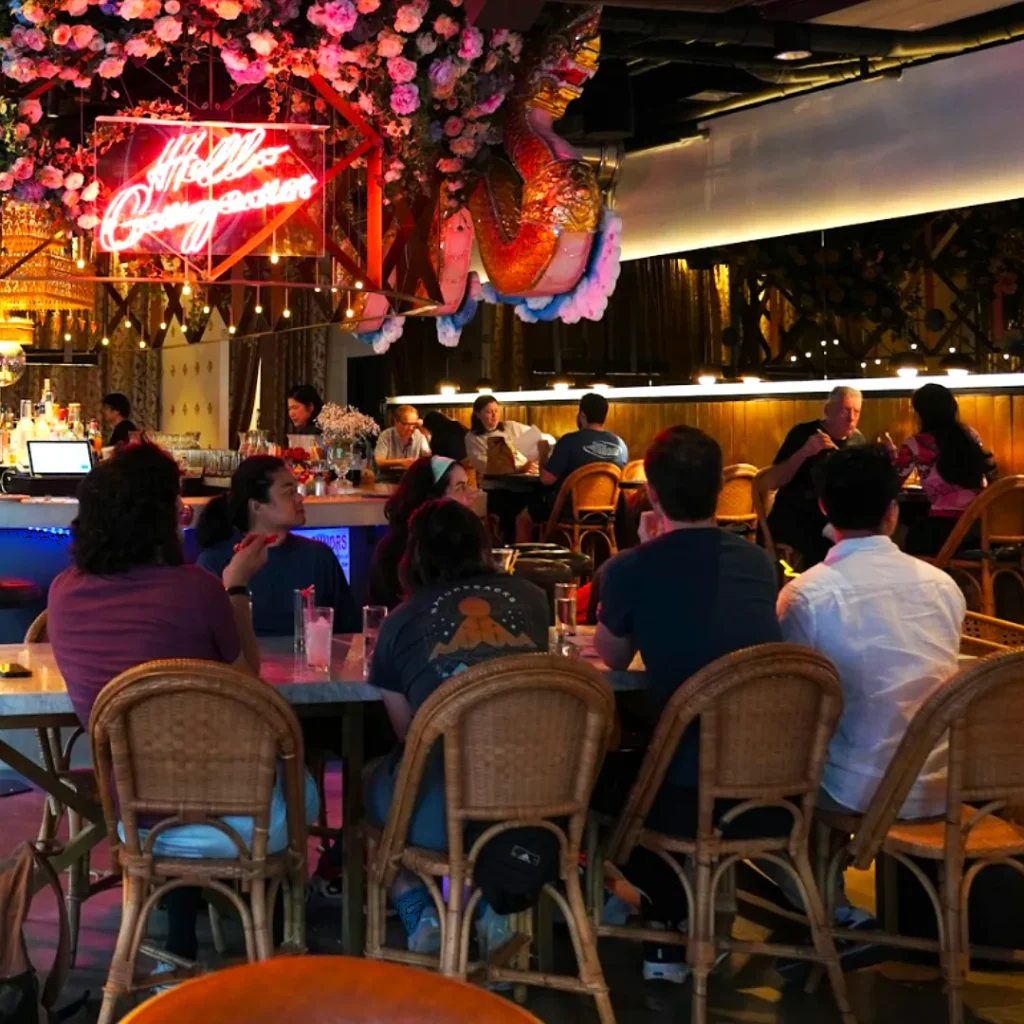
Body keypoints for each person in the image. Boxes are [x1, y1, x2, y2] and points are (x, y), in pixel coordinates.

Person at [47, 442, 317, 967]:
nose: (185, 511)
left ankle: (177, 947)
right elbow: (250, 693)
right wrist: (235, 587)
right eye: (176, 502)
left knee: (177, 767)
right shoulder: (198, 589)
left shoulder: (62, 593)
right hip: (243, 823)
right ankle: (280, 926)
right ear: (159, 516)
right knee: (293, 771)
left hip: (136, 822)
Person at [594, 425, 782, 982]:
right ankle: (671, 921)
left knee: (594, 774)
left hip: (683, 796)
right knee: (658, 754)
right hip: (776, 787)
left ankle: (658, 919)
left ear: (651, 495)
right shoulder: (760, 564)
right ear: (720, 489)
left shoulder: (630, 569)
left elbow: (610, 657)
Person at [365, 499, 550, 953]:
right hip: (535, 799)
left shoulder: (399, 623)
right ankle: (492, 910)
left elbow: (410, 734)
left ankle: (417, 915)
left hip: (441, 817)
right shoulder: (534, 599)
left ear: (414, 556)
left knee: (370, 801)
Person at [779, 444, 966, 818]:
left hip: (856, 789)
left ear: (824, 509)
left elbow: (795, 709)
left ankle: (812, 875)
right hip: (945, 785)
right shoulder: (944, 586)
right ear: (892, 513)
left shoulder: (805, 596)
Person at [196, 455, 360, 635]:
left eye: (297, 490)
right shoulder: (217, 562)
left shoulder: (319, 556)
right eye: (289, 492)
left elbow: (349, 632)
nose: (299, 498)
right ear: (257, 506)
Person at [764, 385, 865, 568]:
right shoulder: (804, 434)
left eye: (856, 412)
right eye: (844, 410)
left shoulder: (857, 441)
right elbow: (772, 481)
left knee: (864, 543)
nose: (851, 418)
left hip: (836, 517)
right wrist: (805, 452)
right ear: (827, 410)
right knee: (834, 548)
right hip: (796, 517)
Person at [890, 383, 996, 556]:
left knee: (902, 524)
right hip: (979, 526)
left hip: (944, 531)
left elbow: (892, 482)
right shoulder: (970, 435)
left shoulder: (916, 443)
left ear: (920, 413)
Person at [369, 455, 478, 609]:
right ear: (433, 498)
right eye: (460, 487)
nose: (471, 495)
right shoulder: (393, 551)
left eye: (468, 485)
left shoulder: (470, 540)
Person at [517, 392, 628, 541]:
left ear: (582, 415)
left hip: (568, 509)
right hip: (607, 512)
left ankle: (525, 562)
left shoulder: (569, 441)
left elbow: (546, 480)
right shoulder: (620, 444)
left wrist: (543, 454)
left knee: (523, 519)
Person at [465, 395, 536, 543]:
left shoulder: (511, 427)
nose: (494, 415)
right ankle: (509, 548)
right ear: (477, 414)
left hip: (524, 485)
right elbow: (487, 466)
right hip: (496, 489)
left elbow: (541, 439)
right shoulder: (473, 438)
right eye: (488, 412)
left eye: (496, 411)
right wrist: (520, 468)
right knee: (509, 509)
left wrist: (540, 455)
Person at [374, 404, 430, 472]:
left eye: (414, 424)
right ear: (396, 422)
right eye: (406, 424)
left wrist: (425, 432)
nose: (411, 428)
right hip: (390, 476)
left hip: (413, 476)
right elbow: (378, 461)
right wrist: (401, 462)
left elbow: (429, 457)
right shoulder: (386, 435)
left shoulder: (419, 434)